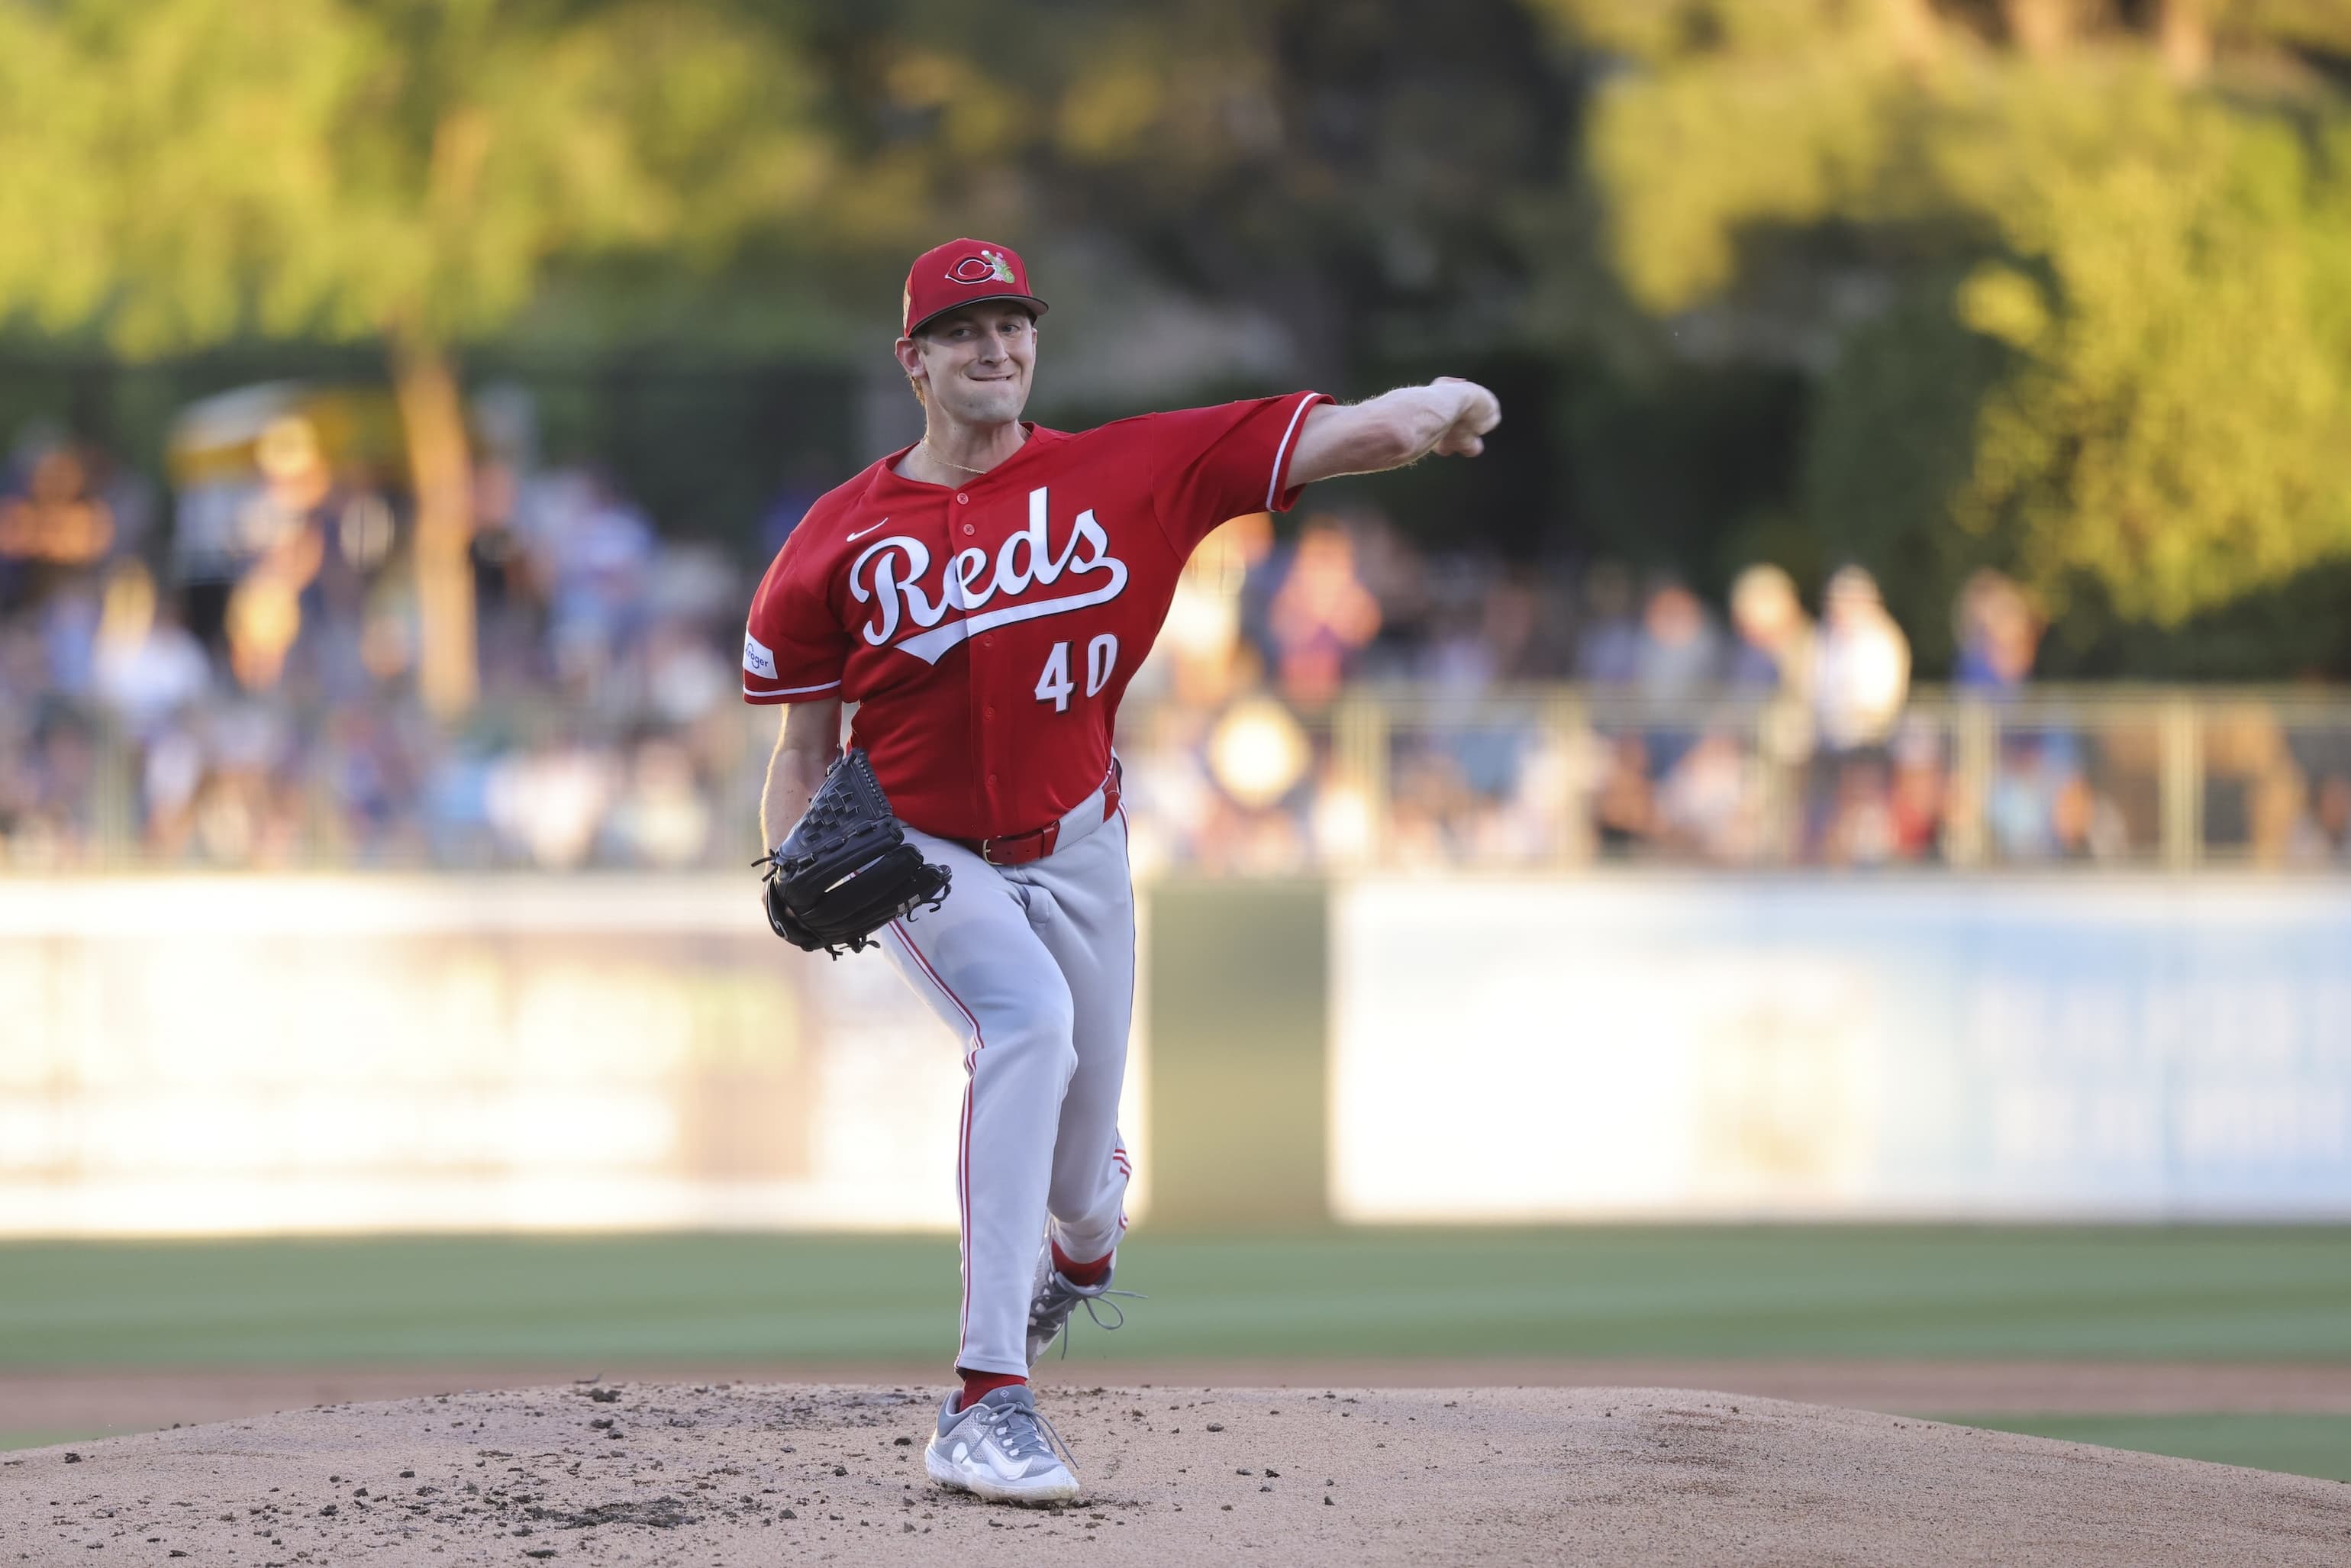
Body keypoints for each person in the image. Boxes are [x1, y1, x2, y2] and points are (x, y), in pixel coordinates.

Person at [740, 238, 1499, 1505]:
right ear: (913, 362)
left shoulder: (1122, 471)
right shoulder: (835, 540)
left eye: (1012, 325)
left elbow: (1337, 437)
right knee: (1024, 1023)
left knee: (1083, 1180)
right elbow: (801, 749)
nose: (996, 348)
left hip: (1084, 841)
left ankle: (1084, 1244)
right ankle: (986, 1400)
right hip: (923, 853)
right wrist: (782, 863)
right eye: (964, 331)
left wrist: (1436, 409)